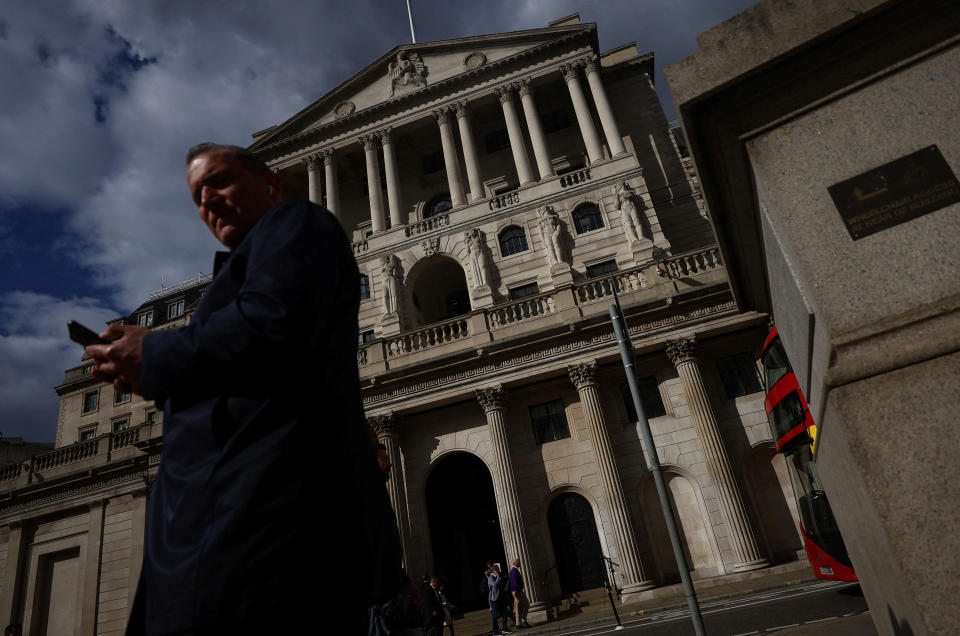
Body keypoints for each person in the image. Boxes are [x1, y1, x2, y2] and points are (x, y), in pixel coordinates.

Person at [87, 143, 402, 634]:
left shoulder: (298, 222)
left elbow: (274, 324)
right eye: (196, 195)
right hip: (217, 542)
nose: (206, 200)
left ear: (272, 184)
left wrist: (159, 353)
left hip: (261, 544)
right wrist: (148, 373)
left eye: (219, 180)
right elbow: (241, 368)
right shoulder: (237, 275)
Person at [487, 565, 511, 635]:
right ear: (494, 571)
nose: (499, 571)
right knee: (494, 616)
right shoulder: (490, 578)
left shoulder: (497, 577)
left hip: (500, 598)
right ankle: (495, 632)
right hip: (494, 600)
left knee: (504, 613)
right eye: (498, 569)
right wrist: (498, 578)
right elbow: (494, 585)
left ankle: (505, 628)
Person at [509, 558, 531, 628]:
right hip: (517, 591)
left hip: (516, 590)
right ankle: (523, 620)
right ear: (514, 563)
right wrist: (517, 590)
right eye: (518, 562)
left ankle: (518, 623)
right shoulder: (514, 571)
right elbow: (514, 582)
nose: (520, 563)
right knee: (526, 604)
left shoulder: (514, 570)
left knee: (518, 607)